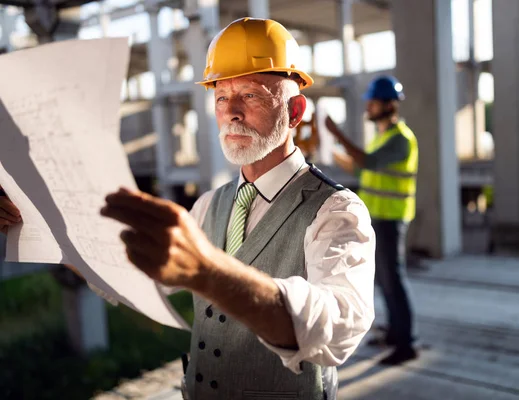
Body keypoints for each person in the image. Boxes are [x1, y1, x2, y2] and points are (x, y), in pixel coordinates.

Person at [1, 18, 376, 400]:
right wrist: (39, 221)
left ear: (295, 111)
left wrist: (210, 273)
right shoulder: (210, 204)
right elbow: (130, 275)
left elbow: (340, 324)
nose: (231, 111)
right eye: (220, 96)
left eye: (250, 95)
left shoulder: (335, 210)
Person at [324, 75, 419, 366]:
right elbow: (359, 166)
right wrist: (328, 148)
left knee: (394, 278)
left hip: (391, 218)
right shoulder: (383, 137)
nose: (368, 105)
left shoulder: (401, 139)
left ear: (389, 105)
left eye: (373, 101)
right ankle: (393, 332)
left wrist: (336, 133)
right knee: (384, 279)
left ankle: (406, 344)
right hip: (377, 216)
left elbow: (368, 162)